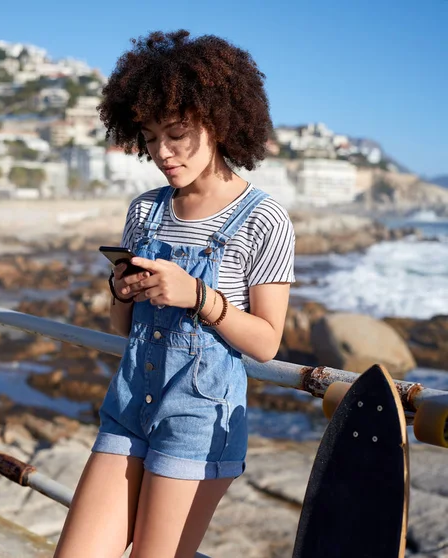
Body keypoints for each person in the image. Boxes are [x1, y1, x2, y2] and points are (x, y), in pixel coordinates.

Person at [55, 30, 295, 558]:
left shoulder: (263, 217)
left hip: (198, 420)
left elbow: (267, 343)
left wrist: (197, 296)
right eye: (149, 135)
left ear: (220, 120)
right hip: (127, 406)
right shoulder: (146, 210)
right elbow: (124, 329)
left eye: (178, 134)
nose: (162, 152)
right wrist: (121, 289)